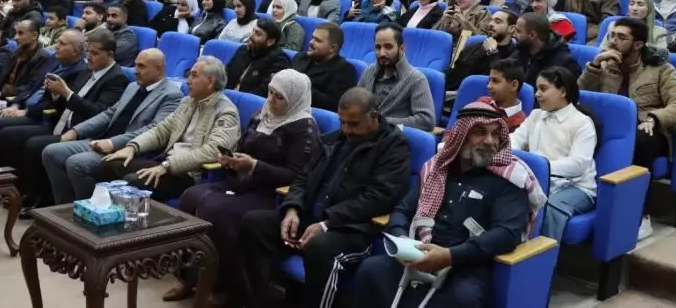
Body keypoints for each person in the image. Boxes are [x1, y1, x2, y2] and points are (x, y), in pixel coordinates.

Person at [352, 99, 542, 308]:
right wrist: (402, 241)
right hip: (420, 252)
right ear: (461, 135)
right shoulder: (437, 169)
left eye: (496, 134)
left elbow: (507, 233)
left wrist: (449, 256)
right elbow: (402, 210)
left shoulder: (510, 179)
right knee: (371, 270)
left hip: (467, 262)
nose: (490, 141)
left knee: (463, 300)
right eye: (480, 132)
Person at [237, 88, 410, 308]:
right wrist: (293, 209)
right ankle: (256, 301)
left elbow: (380, 198)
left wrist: (326, 223)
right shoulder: (332, 140)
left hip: (352, 230)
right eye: (342, 122)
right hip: (311, 218)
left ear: (374, 117)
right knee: (252, 223)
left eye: (353, 124)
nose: (346, 129)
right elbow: (302, 178)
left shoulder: (393, 147)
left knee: (320, 249)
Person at [166, 71, 322, 303]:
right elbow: (243, 147)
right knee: (190, 196)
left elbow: (296, 176)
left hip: (270, 194)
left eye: (279, 97)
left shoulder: (304, 130)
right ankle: (187, 278)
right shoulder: (261, 115)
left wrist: (255, 166)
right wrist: (230, 159)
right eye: (270, 92)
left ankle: (220, 284)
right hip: (241, 182)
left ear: (294, 100)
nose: (271, 100)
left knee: (215, 209)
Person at [580, 18, 676, 239]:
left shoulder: (660, 69)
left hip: (647, 127)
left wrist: (655, 118)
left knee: (642, 140)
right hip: (611, 126)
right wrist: (594, 66)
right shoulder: (605, 64)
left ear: (638, 44)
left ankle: (642, 214)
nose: (614, 41)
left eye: (621, 37)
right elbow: (579, 96)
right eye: (612, 35)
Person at [0, 29, 129, 215]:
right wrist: (55, 93)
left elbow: (97, 112)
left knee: (34, 145)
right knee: (9, 134)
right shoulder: (87, 71)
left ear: (110, 54)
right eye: (88, 51)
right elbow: (64, 103)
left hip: (82, 133)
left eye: (95, 53)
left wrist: (65, 92)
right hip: (60, 123)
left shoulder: (117, 79)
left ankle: (41, 201)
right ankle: (19, 190)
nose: (89, 57)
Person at [42, 49, 183, 205]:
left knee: (76, 163)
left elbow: (153, 129)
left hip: (130, 151)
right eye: (135, 65)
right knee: (51, 152)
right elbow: (109, 113)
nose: (135, 71)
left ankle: (90, 210)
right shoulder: (133, 86)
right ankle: (63, 206)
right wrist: (77, 130)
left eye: (141, 66)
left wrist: (112, 143)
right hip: (102, 140)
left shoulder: (172, 95)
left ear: (159, 68)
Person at [99, 57, 241, 201]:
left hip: (189, 173)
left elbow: (212, 151)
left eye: (194, 75)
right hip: (166, 163)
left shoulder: (226, 112)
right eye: (189, 75)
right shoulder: (188, 102)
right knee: (109, 164)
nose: (188, 81)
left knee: (133, 182)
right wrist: (133, 147)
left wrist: (167, 166)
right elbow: (161, 130)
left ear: (210, 82)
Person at [511, 67, 598, 241]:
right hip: (538, 181)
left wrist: (541, 168)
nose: (537, 94)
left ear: (563, 91)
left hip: (575, 187)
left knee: (548, 207)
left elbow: (578, 164)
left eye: (543, 89)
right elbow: (515, 139)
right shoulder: (536, 115)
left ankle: (543, 255)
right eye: (537, 88)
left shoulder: (582, 123)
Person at [0, 28, 89, 152]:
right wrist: (16, 104)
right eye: (58, 42)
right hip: (25, 105)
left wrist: (27, 112)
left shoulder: (79, 72)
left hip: (43, 117)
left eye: (62, 44)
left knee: (2, 128)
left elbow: (60, 106)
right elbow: (32, 85)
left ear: (75, 52)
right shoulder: (54, 59)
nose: (57, 46)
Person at [357, 24, 435, 131]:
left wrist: (379, 121)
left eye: (388, 47)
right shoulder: (369, 71)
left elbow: (426, 121)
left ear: (402, 48)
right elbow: (355, 102)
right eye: (378, 47)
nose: (382, 53)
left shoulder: (416, 79)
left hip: (393, 137)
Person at [291, 23, 358, 110]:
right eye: (312, 38)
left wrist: (299, 87)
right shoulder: (301, 57)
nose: (311, 42)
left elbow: (333, 103)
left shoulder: (344, 70)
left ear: (333, 48)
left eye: (317, 40)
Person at [446, 9, 518, 90]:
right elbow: (453, 76)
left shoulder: (514, 55)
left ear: (511, 29)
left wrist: (491, 52)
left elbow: (499, 79)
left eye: (497, 22)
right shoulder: (472, 47)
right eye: (491, 20)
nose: (491, 24)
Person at [507, 13, 581, 88]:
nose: (514, 35)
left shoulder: (565, 63)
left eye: (518, 31)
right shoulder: (519, 52)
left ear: (532, 35)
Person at [226, 19, 291, 95]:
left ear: (270, 41)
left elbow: (264, 92)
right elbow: (225, 74)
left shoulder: (280, 60)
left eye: (258, 34)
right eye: (253, 31)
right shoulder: (243, 50)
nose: (251, 36)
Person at [486, 59, 527, 131]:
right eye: (489, 80)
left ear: (514, 85)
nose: (488, 86)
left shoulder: (520, 125)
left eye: (495, 81)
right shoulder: (483, 101)